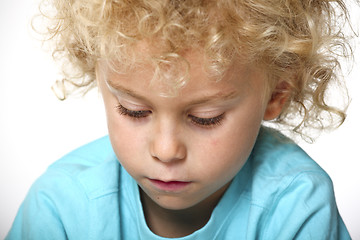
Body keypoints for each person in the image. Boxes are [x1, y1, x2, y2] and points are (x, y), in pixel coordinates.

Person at [6, 0, 355, 239]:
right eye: (134, 110)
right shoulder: (61, 206)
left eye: (205, 118)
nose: (166, 150)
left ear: (276, 94)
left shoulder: (296, 204)